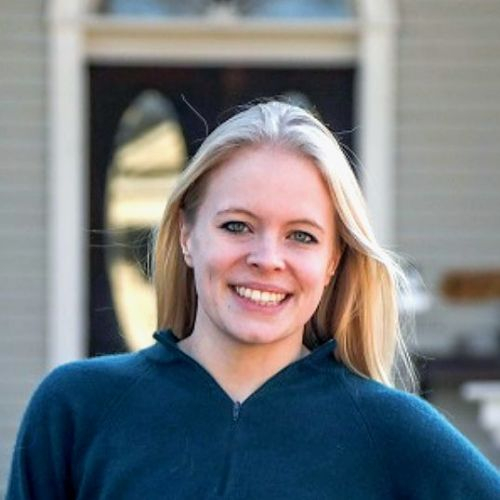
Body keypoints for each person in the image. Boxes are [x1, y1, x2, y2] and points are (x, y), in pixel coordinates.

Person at [7, 101, 500, 499]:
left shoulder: (392, 432)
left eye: (302, 236)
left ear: (333, 261)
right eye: (236, 226)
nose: (267, 258)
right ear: (187, 235)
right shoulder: (77, 408)